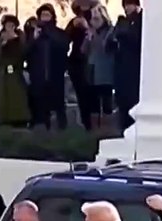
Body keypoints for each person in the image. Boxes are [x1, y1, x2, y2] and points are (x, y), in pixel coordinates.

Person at [26, 4, 70, 129]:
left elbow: (64, 46)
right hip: (38, 75)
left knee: (58, 104)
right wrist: (34, 38)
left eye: (47, 15)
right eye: (42, 15)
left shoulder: (59, 33)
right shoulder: (34, 34)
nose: (45, 18)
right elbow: (25, 52)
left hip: (55, 74)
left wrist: (49, 32)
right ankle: (42, 127)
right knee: (40, 104)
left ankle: (62, 129)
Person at [108, 0, 143, 129]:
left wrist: (124, 35)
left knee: (132, 100)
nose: (127, 8)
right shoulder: (123, 21)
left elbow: (138, 40)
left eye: (129, 5)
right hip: (121, 67)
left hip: (134, 68)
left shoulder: (141, 21)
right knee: (123, 102)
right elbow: (109, 44)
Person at [0, 14, 31, 128]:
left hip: (16, 71)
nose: (9, 27)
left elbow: (24, 52)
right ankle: (4, 119)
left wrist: (15, 39)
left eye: (12, 25)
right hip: (3, 72)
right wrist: (3, 43)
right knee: (4, 97)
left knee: (18, 96)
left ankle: (20, 119)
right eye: (7, 24)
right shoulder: (0, 37)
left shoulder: (20, 36)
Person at [83, 4, 116, 130]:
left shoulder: (110, 31)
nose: (94, 21)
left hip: (106, 71)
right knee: (93, 103)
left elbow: (107, 48)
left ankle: (107, 130)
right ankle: (95, 130)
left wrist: (96, 38)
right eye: (92, 18)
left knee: (107, 102)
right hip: (92, 70)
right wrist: (88, 39)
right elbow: (83, 50)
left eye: (97, 18)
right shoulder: (91, 32)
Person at [66, 0, 95, 129]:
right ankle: (86, 123)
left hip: (91, 60)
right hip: (76, 60)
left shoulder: (96, 18)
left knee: (92, 94)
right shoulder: (74, 21)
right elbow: (65, 39)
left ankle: (95, 124)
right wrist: (73, 27)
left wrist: (87, 27)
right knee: (81, 94)